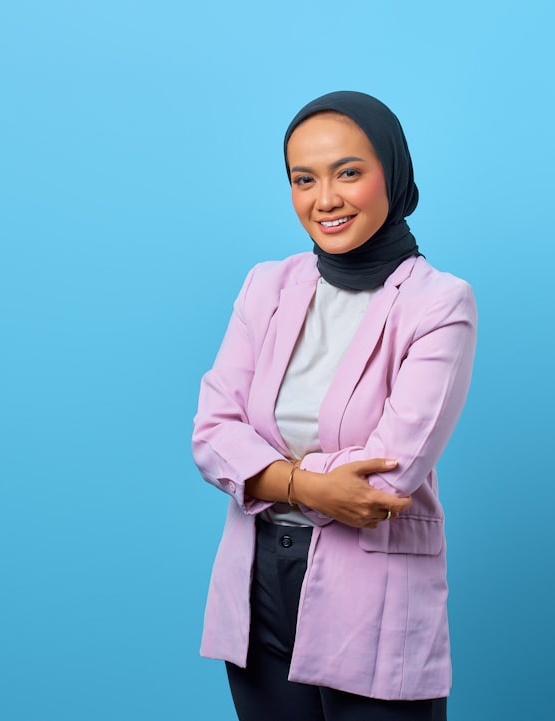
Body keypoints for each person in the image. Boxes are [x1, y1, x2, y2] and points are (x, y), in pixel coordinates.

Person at [192, 90, 477, 721]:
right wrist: (312, 484)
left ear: (392, 174)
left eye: (348, 172)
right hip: (257, 582)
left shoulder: (438, 303)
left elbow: (386, 478)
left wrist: (263, 469)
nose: (325, 199)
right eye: (304, 179)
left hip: (372, 592)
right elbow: (211, 433)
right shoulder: (266, 285)